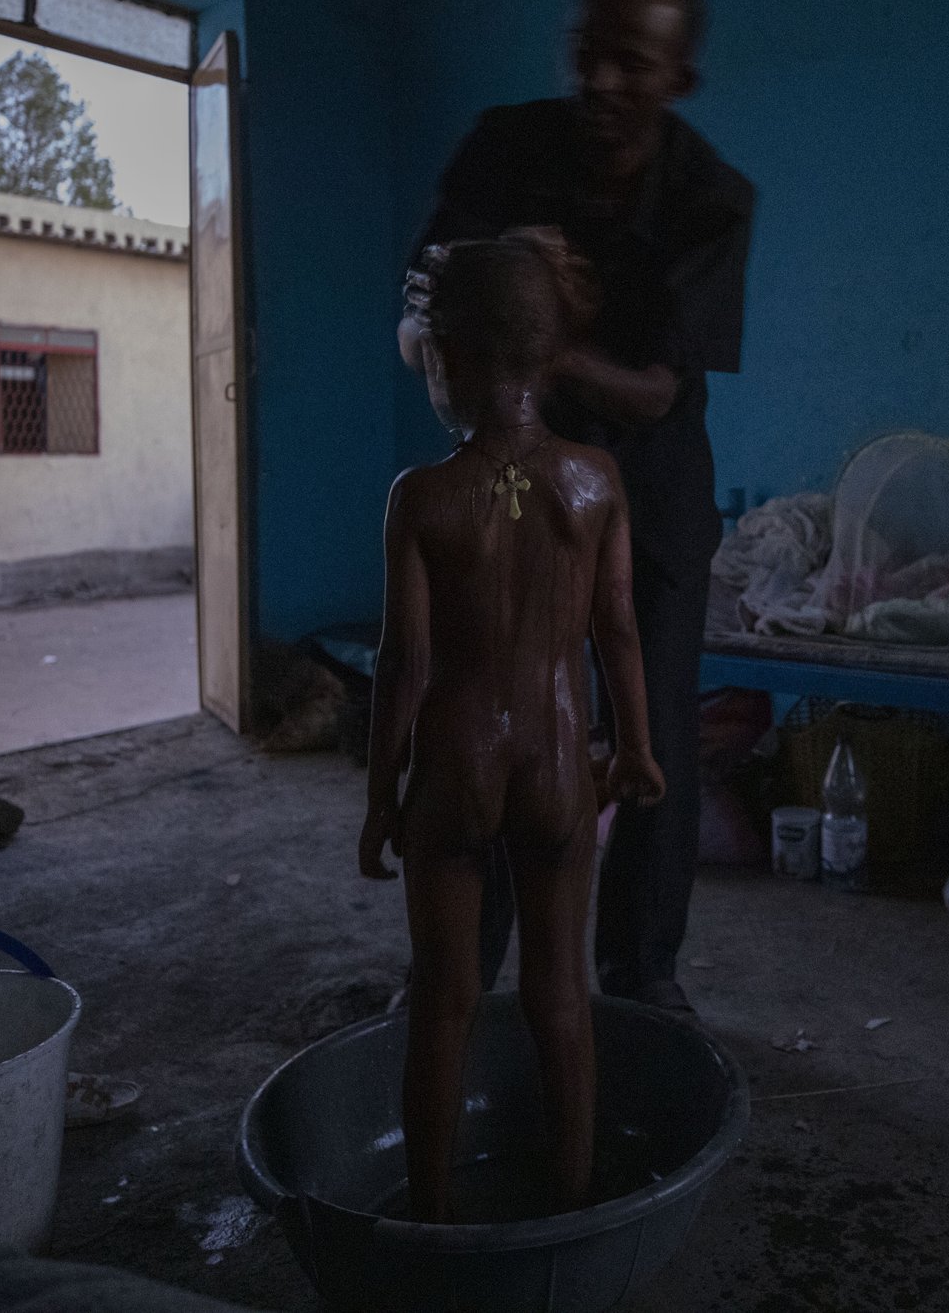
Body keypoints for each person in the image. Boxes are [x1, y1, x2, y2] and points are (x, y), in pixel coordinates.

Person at [397, 0, 754, 1015]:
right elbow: (422, 306)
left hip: (651, 482)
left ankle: (643, 975)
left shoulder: (710, 199)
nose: (600, 80)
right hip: (520, 470)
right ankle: (463, 965)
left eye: (631, 64)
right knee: (507, 710)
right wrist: (473, 311)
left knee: (658, 734)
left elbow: (651, 388)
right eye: (586, 53)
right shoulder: (504, 149)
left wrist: (533, 339)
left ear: (678, 78)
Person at [359, 234, 666, 1222]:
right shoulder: (595, 481)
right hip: (557, 762)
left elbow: (403, 663)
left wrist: (379, 797)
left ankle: (434, 1215)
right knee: (560, 993)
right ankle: (572, 1198)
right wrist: (638, 747)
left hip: (455, 764)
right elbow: (618, 629)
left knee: (444, 999)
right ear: (545, 355)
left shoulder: (422, 497)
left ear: (447, 356)